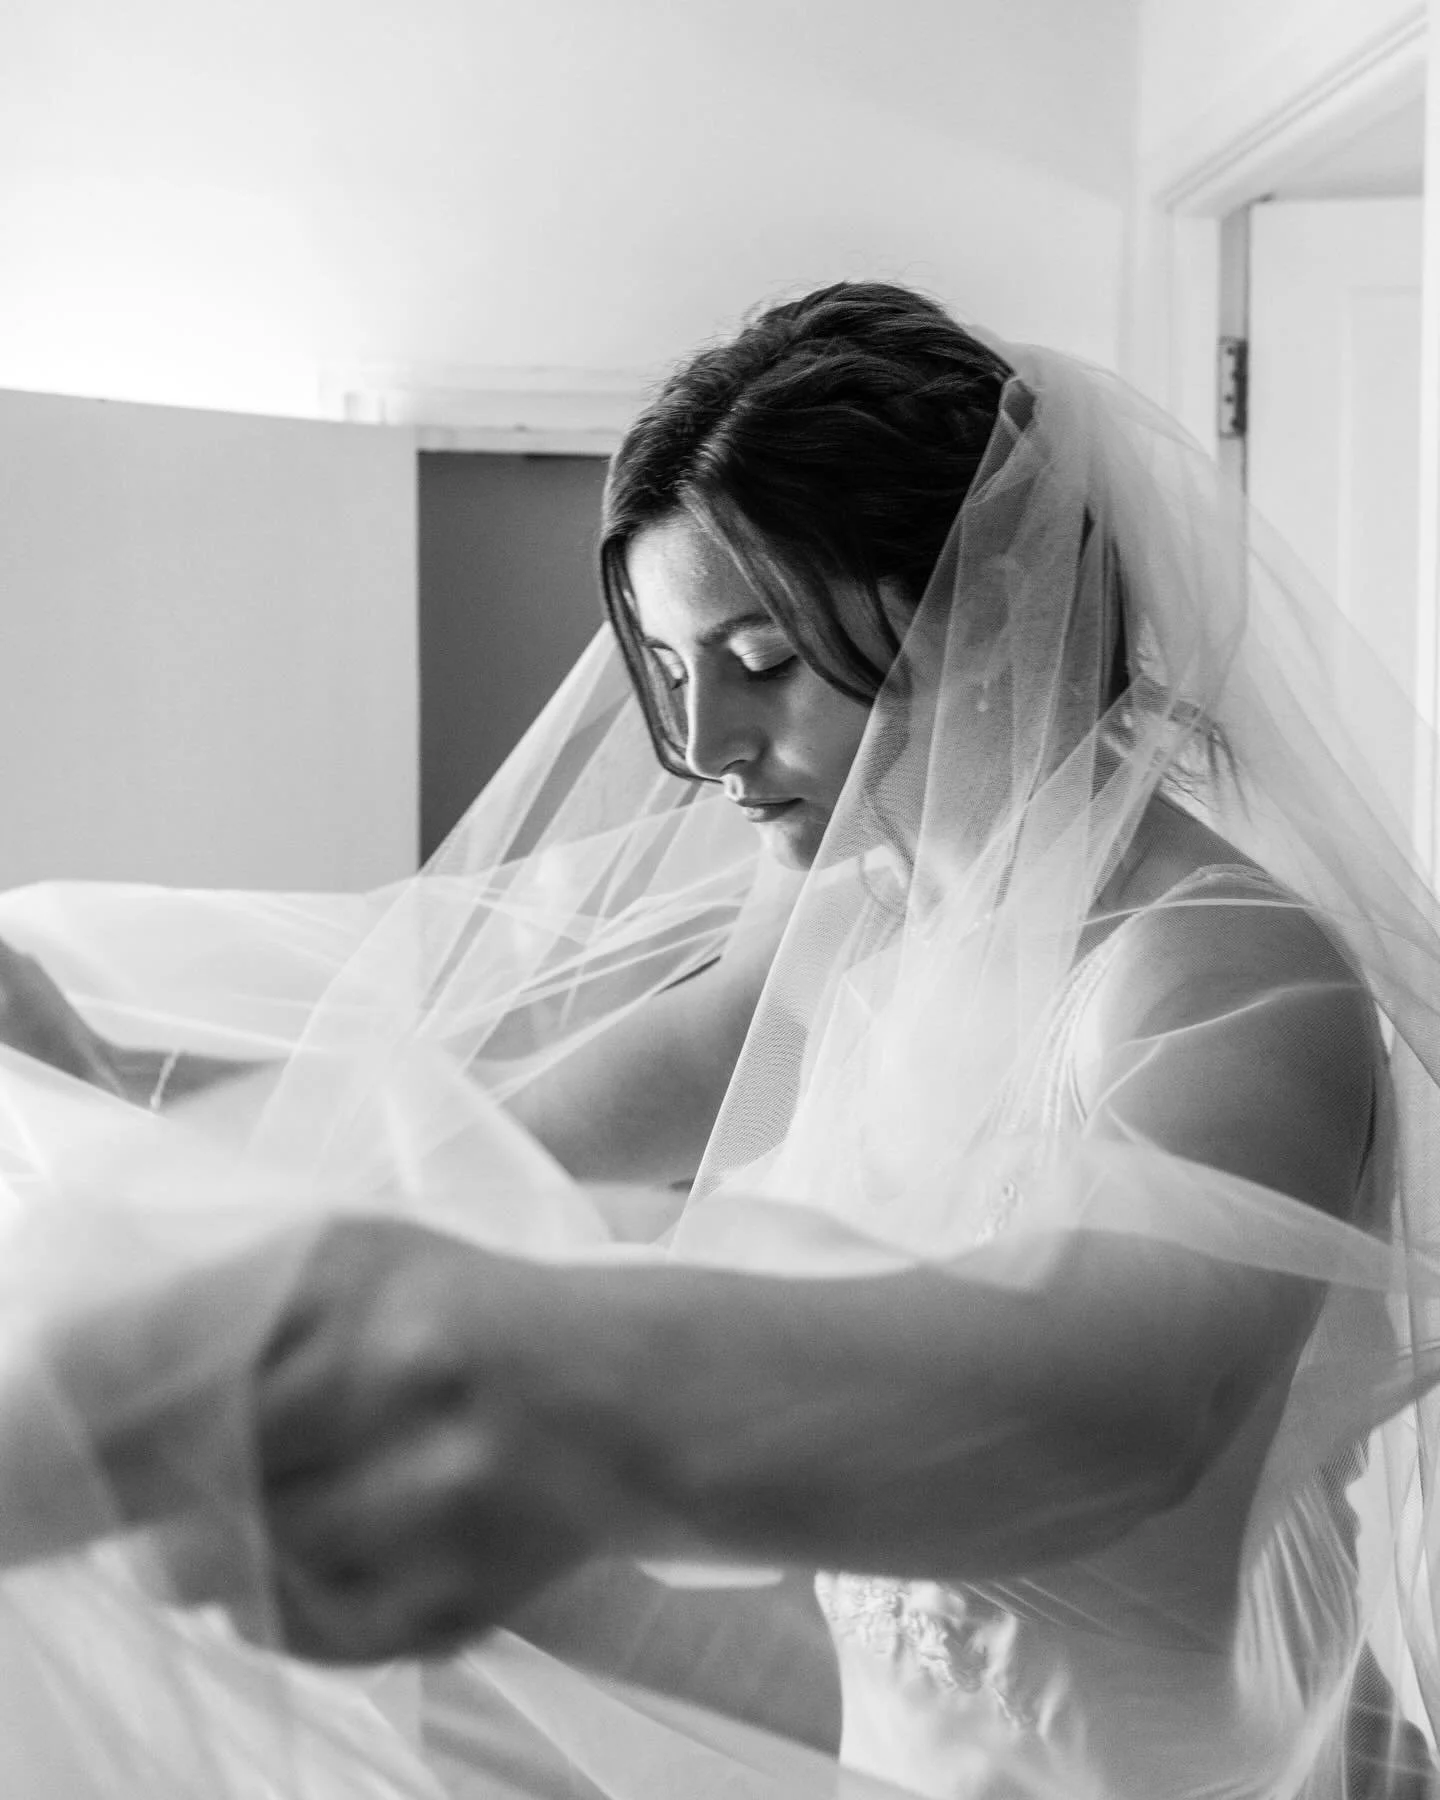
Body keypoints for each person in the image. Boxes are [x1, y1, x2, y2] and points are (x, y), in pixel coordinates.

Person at [0, 281, 1437, 1800]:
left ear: (997, 605)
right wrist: (105, 1081)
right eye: (674, 676)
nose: (702, 753)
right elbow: (479, 1139)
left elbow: (1122, 1406)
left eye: (760, 664)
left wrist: (552, 1388)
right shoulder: (849, 910)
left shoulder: (1228, 976)